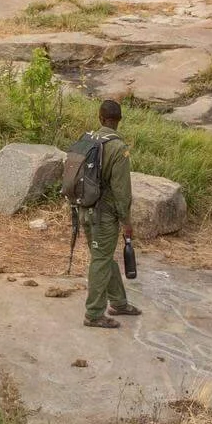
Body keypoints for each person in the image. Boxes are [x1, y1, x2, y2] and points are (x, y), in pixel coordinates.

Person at [67, 99, 138, 328]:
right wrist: (126, 221)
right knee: (101, 260)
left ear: (100, 118)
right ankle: (94, 314)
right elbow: (122, 190)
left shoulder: (88, 139)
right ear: (119, 120)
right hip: (104, 216)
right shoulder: (118, 148)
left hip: (84, 210)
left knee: (103, 257)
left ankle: (118, 302)